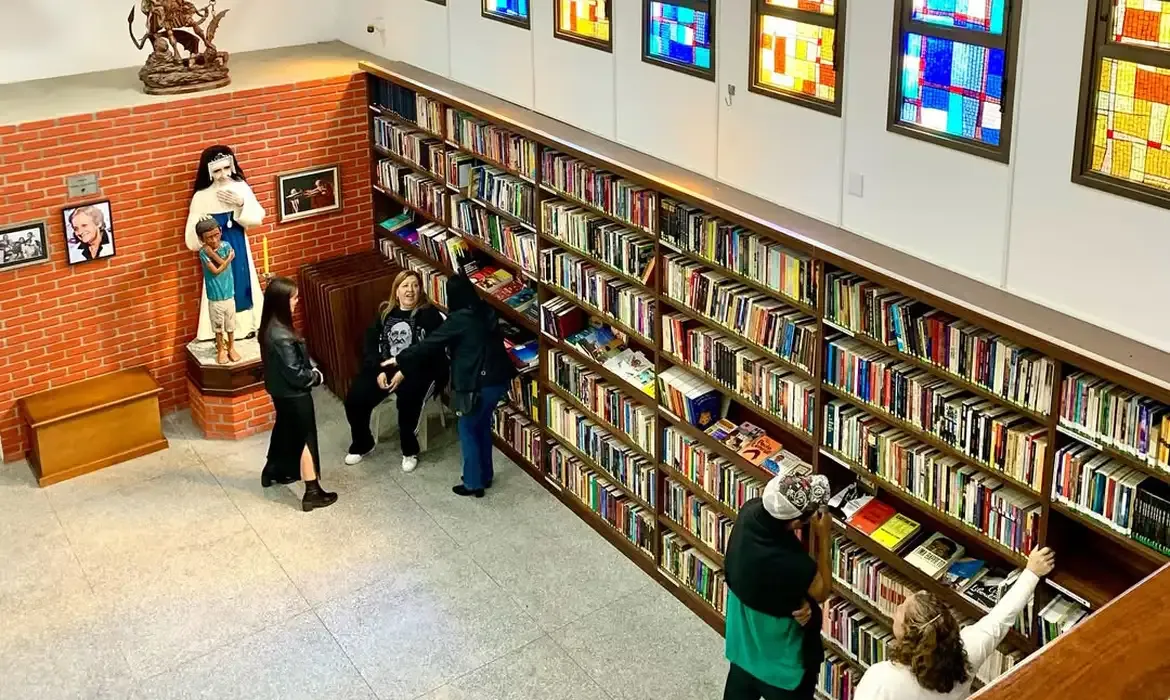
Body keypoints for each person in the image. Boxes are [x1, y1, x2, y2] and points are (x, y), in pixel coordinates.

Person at [854, 546, 1057, 700]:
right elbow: (1001, 619)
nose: (896, 610)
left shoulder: (881, 679)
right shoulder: (968, 653)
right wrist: (1032, 573)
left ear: (908, 633)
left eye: (900, 611)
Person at [387, 274, 516, 497]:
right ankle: (485, 475)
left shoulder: (459, 320)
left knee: (467, 429)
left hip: (476, 385)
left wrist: (401, 358)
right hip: (498, 380)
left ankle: (473, 483)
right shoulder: (485, 310)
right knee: (482, 427)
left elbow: (430, 343)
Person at [722, 471, 833, 700]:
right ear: (794, 523)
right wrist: (824, 537)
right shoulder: (794, 564)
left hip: (743, 647)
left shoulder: (748, 512)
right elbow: (822, 591)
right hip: (782, 667)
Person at [343, 270, 447, 472]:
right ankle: (363, 443)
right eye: (405, 286)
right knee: (355, 398)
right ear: (396, 291)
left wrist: (405, 371)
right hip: (386, 367)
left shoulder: (429, 314)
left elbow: (430, 351)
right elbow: (370, 345)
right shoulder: (385, 314)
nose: (411, 290)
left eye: (415, 285)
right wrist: (377, 371)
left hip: (420, 369)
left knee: (408, 400)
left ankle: (409, 450)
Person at [259, 276, 337, 512]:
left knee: (284, 430)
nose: (297, 301)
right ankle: (312, 491)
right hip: (294, 395)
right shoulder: (281, 336)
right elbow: (296, 374)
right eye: (293, 298)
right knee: (304, 438)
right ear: (282, 302)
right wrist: (316, 376)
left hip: (280, 392)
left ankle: (273, 470)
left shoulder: (269, 327)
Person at [185, 145, 266, 341]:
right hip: (215, 250)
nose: (222, 175)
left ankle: (246, 326)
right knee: (220, 287)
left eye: (225, 169)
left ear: (232, 166)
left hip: (238, 244)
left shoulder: (240, 187)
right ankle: (221, 331)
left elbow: (258, 218)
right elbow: (191, 239)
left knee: (241, 281)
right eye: (217, 170)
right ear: (208, 172)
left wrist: (241, 204)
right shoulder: (201, 197)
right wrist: (202, 227)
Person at [196, 217, 240, 364]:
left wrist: (214, 254)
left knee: (230, 324)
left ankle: (232, 347)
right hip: (215, 296)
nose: (214, 240)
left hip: (228, 293)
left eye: (216, 235)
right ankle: (221, 349)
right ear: (202, 239)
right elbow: (215, 271)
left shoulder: (225, 246)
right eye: (209, 238)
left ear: (220, 232)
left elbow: (222, 264)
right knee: (218, 326)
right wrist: (229, 258)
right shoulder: (203, 253)